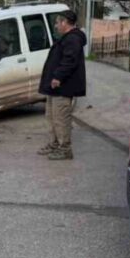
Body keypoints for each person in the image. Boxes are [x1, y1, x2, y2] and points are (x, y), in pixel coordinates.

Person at [38, 10, 87, 161]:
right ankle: (54, 144)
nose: (56, 25)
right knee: (51, 116)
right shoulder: (67, 38)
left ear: (65, 22)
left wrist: (58, 76)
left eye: (58, 22)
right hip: (55, 88)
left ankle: (65, 148)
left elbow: (69, 60)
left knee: (61, 118)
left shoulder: (73, 39)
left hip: (63, 87)